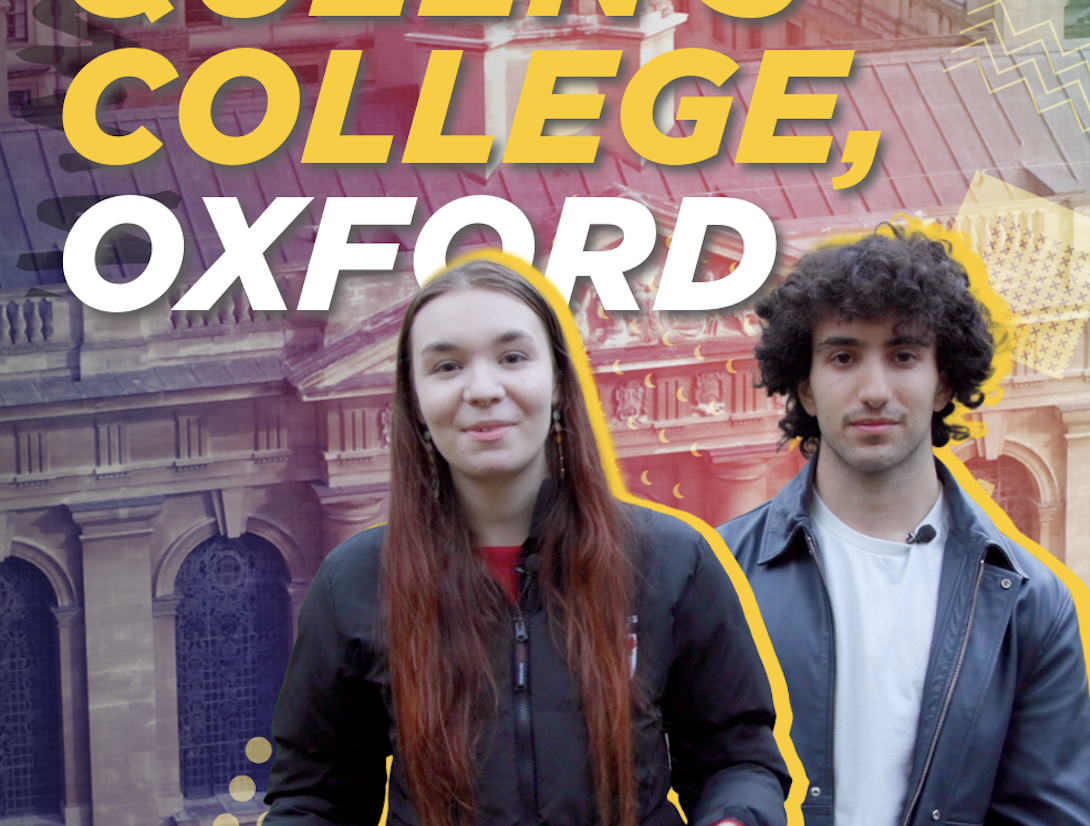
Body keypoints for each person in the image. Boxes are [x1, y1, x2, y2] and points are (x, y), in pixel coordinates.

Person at [265, 257, 792, 826]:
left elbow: (735, 758)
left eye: (513, 358)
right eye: (446, 366)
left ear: (560, 383)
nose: (484, 389)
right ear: (415, 404)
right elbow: (316, 799)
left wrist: (735, 819)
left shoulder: (672, 559)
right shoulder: (356, 580)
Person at [719, 226, 1090, 826]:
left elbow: (1047, 814)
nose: (873, 390)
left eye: (904, 356)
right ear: (805, 387)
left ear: (943, 381)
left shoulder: (1030, 602)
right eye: (843, 356)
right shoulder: (718, 576)